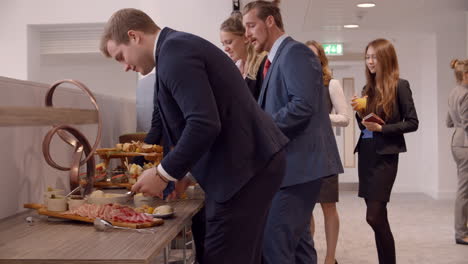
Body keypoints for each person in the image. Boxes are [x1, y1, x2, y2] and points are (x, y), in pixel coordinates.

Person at [99, 8, 289, 264]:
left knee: (221, 255)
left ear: (134, 36)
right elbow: (186, 120)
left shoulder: (174, 53)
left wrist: (163, 173)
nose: (124, 67)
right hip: (249, 164)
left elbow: (203, 123)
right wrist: (181, 173)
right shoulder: (173, 50)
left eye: (120, 56)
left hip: (245, 169)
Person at [243, 1, 343, 264]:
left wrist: (258, 127)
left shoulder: (296, 52)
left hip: (299, 169)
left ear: (270, 22)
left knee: (274, 246)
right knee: (299, 247)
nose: (247, 34)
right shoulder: (273, 60)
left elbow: (303, 106)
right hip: (291, 169)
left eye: (251, 25)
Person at [351, 38, 419, 263]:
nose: (370, 61)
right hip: (367, 155)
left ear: (386, 59)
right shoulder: (366, 89)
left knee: (374, 216)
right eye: (367, 57)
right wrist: (359, 113)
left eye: (374, 57)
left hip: (385, 157)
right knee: (379, 217)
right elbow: (364, 126)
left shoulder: (400, 85)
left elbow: (412, 122)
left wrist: (382, 127)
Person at [306, 40, 350, 264]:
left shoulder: (331, 84)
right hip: (303, 154)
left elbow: (344, 117)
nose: (310, 60)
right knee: (305, 210)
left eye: (314, 55)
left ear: (321, 58)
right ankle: (308, 255)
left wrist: (322, 118)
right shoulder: (297, 83)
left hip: (325, 152)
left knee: (328, 206)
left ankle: (330, 258)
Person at [220, 12, 267, 100]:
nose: (225, 49)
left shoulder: (263, 64)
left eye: (229, 42)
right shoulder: (236, 67)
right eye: (223, 44)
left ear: (245, 38)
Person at [447, 59, 468, 246]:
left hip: (457, 142)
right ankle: (461, 233)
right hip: (466, 145)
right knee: (464, 191)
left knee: (464, 189)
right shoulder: (467, 94)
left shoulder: (454, 92)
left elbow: (449, 121)